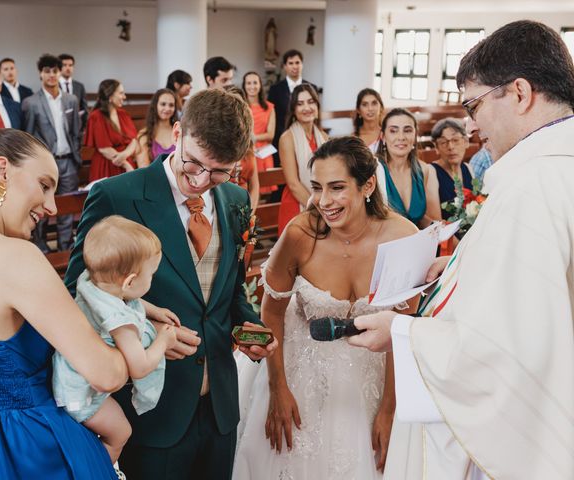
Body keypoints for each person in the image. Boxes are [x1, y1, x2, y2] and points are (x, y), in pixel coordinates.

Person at [350, 20, 574, 479]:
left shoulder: (530, 188)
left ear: (519, 93)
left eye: (474, 105)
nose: (470, 125)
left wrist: (401, 332)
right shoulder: (555, 170)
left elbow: (506, 352)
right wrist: (460, 265)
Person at [63, 89, 278, 480]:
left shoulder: (235, 199)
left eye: (218, 171)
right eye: (192, 163)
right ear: (177, 133)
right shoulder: (117, 196)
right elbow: (78, 299)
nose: (200, 180)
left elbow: (228, 291)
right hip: (150, 411)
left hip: (220, 407)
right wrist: (146, 331)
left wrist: (248, 324)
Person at [0, 128, 128, 479]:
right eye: (44, 185)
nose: (52, 206)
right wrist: (143, 336)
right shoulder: (15, 257)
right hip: (42, 449)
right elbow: (106, 374)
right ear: (2, 170)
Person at [233, 136, 419, 479]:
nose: (323, 201)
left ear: (368, 185)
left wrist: (389, 409)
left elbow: (401, 332)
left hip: (373, 381)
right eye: (317, 187)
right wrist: (278, 389)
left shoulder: (402, 237)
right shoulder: (301, 234)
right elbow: (272, 312)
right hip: (300, 372)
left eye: (336, 188)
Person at [53, 215, 178, 467]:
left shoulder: (92, 282)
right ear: (130, 281)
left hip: (68, 377)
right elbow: (140, 367)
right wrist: (163, 341)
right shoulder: (119, 324)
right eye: (151, 274)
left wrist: (152, 310)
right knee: (121, 433)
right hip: (82, 396)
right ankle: (96, 470)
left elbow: (126, 297)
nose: (152, 278)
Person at [22, 54, 82, 253]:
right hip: (44, 164)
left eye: (54, 71)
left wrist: (76, 155)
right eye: (47, 71)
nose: (51, 75)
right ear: (40, 74)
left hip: (68, 162)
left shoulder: (71, 100)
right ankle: (42, 247)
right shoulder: (31, 103)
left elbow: (76, 131)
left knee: (67, 206)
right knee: (40, 205)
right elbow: (28, 136)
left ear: (59, 73)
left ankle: (65, 246)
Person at [376, 108, 441, 228]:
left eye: (407, 130)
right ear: (383, 137)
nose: (401, 137)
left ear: (415, 135)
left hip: (416, 241)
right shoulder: (374, 170)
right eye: (393, 131)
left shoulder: (424, 170)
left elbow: (425, 219)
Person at [277, 84, 327, 236]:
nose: (307, 107)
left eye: (311, 102)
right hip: (296, 204)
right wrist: (319, 210)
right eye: (300, 104)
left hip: (322, 203)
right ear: (293, 110)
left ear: (317, 106)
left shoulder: (323, 137)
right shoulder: (287, 138)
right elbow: (293, 184)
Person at [267, 49, 318, 167]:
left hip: (307, 138)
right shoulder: (275, 89)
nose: (295, 66)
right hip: (282, 138)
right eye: (291, 63)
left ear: (302, 64)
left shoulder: (312, 87)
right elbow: (271, 117)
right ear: (285, 66)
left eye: (297, 62)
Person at [84, 79, 139, 182]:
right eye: (121, 93)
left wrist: (124, 155)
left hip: (125, 161)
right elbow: (104, 149)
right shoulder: (96, 117)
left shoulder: (123, 114)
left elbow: (134, 141)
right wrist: (126, 164)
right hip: (107, 166)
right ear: (110, 96)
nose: (124, 97)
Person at [430, 118, 474, 220]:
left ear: (466, 142)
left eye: (455, 140)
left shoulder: (468, 168)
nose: (450, 147)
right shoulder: (431, 172)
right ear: (436, 147)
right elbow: (436, 221)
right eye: (443, 142)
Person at [224, 85, 260, 211]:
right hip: (223, 207)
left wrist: (250, 214)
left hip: (246, 208)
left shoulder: (249, 144)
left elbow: (255, 186)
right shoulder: (218, 144)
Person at [242, 71, 276, 194]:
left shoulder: (269, 107)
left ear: (260, 85)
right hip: (245, 152)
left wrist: (253, 137)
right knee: (247, 190)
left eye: (255, 83)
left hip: (264, 153)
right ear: (244, 85)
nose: (252, 86)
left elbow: (270, 134)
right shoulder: (241, 106)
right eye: (248, 83)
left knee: (266, 192)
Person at [136, 88, 178, 167]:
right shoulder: (144, 134)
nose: (167, 108)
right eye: (163, 104)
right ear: (155, 106)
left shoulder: (178, 131)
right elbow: (144, 169)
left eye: (171, 105)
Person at [58, 53, 89, 130]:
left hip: (78, 126)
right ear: (59, 67)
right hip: (60, 126)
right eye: (64, 65)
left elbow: (84, 108)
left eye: (70, 65)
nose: (68, 68)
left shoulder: (79, 86)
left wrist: (83, 127)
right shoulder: (54, 86)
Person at [354, 88, 384, 153]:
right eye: (364, 104)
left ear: (381, 107)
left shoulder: (386, 135)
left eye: (374, 103)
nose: (370, 108)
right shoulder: (353, 138)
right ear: (358, 110)